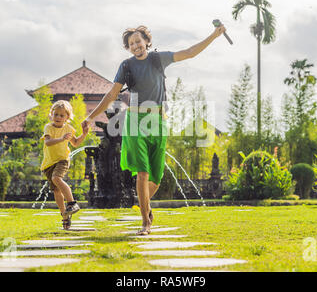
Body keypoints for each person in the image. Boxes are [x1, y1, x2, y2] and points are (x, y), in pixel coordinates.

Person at [82, 24, 226, 235]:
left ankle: (145, 206)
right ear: (128, 48)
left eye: (138, 41)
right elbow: (112, 94)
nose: (136, 46)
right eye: (131, 44)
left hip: (158, 121)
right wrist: (90, 116)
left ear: (146, 41)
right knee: (142, 172)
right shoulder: (126, 66)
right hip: (135, 120)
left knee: (155, 178)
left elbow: (189, 53)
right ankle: (145, 222)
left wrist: (214, 35)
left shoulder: (159, 59)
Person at [41, 100, 89, 230]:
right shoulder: (48, 127)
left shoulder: (69, 129)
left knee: (57, 178)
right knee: (56, 191)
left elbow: (75, 143)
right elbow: (48, 142)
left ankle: (72, 203)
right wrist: (62, 139)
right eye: (55, 114)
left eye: (62, 115)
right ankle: (65, 216)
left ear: (67, 117)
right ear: (51, 114)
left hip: (63, 160)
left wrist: (84, 134)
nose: (58, 117)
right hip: (49, 163)